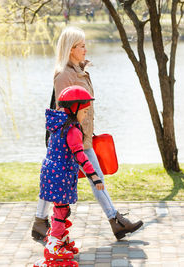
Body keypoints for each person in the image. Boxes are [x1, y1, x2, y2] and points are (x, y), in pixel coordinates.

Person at [32, 26, 143, 241]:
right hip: (72, 138)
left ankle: (39, 222)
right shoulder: (64, 75)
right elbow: (65, 108)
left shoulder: (78, 70)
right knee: (63, 179)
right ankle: (115, 221)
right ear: (71, 49)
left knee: (55, 180)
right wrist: (75, 136)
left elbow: (83, 107)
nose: (85, 48)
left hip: (83, 135)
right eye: (81, 45)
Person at [39, 86, 104, 263]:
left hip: (51, 172)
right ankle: (54, 244)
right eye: (84, 111)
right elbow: (80, 156)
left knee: (61, 207)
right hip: (60, 175)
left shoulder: (59, 124)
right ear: (74, 109)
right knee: (61, 209)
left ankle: (60, 239)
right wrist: (94, 176)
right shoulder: (73, 130)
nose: (85, 115)